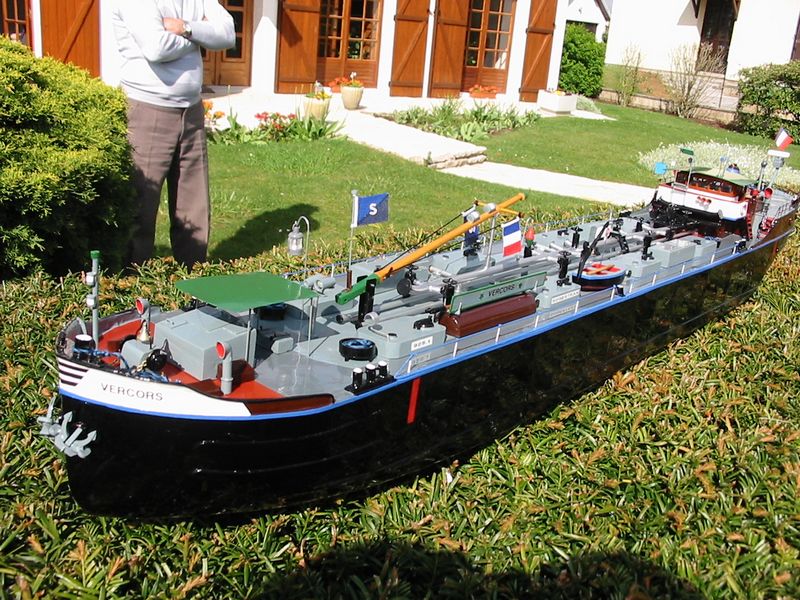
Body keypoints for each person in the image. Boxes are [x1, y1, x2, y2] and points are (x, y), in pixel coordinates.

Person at [112, 1, 235, 270]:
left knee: (194, 204)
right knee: (140, 205)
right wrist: (201, 37)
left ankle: (193, 275)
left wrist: (186, 28)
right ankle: (131, 281)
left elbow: (227, 34)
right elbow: (156, 48)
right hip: (147, 109)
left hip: (191, 110)